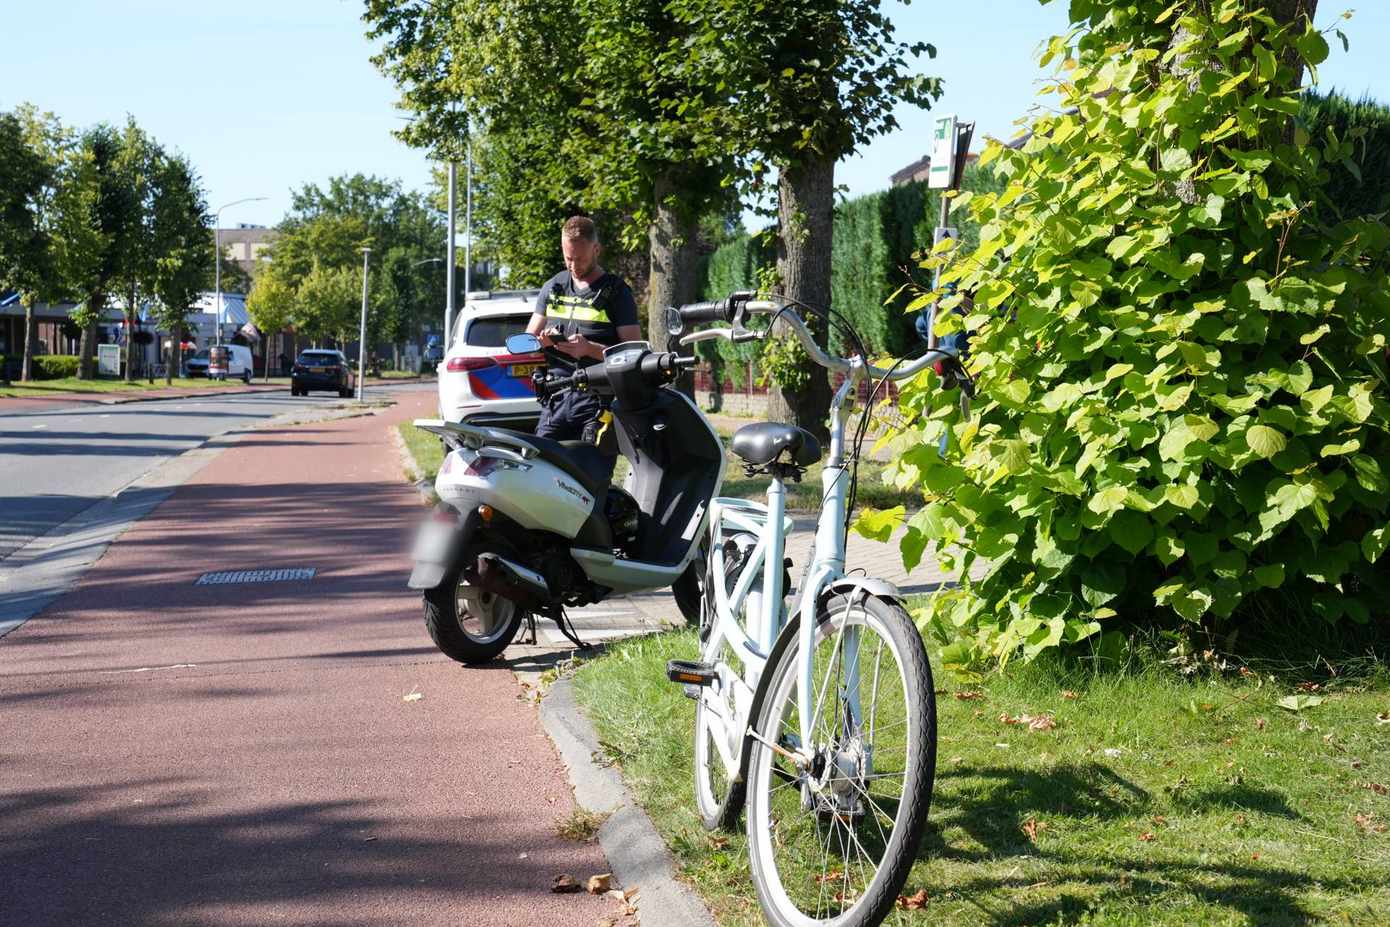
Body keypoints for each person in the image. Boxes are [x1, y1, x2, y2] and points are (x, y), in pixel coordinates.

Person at [526, 216, 641, 474]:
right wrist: (541, 341)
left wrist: (589, 349)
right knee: (539, 472)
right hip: (555, 399)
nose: (573, 265)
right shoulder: (553, 287)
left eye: (579, 258)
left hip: (595, 404)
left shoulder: (617, 292)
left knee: (590, 479)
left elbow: (633, 354)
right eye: (568, 258)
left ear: (596, 250)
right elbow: (529, 339)